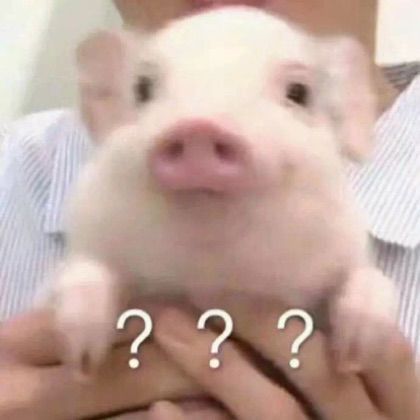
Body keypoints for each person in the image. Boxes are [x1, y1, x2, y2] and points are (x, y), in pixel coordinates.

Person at [0, 0, 419, 418]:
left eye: (295, 94)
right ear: (106, 97)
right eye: (147, 91)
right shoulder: (13, 172)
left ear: (349, 100)